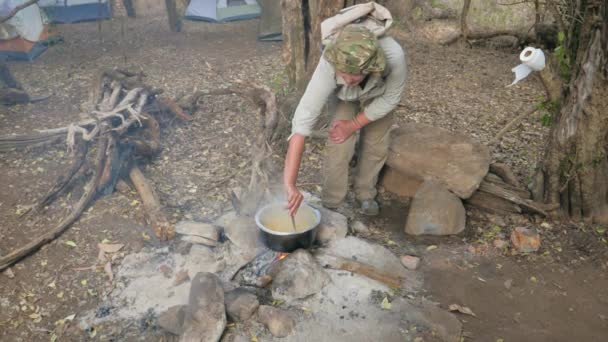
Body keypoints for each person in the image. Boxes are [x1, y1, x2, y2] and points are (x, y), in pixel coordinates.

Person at [284, 24, 407, 217]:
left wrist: (354, 124)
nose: (349, 79)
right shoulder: (329, 62)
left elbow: (391, 98)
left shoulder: (394, 57)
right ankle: (332, 202)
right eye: (344, 74)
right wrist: (290, 184)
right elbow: (302, 121)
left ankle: (365, 194)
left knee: (376, 144)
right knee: (339, 141)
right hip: (344, 97)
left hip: (379, 93)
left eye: (355, 75)